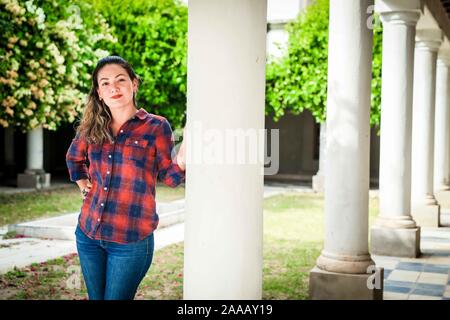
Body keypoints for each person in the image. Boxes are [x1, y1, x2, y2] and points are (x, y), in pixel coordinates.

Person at [66, 55, 186, 300]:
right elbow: (74, 159)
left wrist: (183, 159)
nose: (114, 88)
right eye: (106, 83)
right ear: (99, 92)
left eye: (121, 80)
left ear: (134, 84)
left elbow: (170, 177)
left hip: (130, 240)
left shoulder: (156, 126)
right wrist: (83, 183)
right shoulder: (91, 126)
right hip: (88, 234)